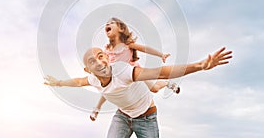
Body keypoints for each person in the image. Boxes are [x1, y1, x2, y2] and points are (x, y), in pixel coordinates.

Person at [44, 46, 232, 138]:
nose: (98, 62)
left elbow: (161, 71)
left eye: (100, 56)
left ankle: (169, 85)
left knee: (156, 83)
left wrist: (199, 65)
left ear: (107, 59)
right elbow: (77, 81)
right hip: (123, 117)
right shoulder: (93, 79)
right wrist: (59, 83)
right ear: (88, 69)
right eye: (92, 62)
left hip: (146, 118)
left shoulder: (124, 70)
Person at [90, 17, 178, 121]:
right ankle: (97, 109)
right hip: (117, 75)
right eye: (106, 23)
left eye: (111, 23)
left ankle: (167, 83)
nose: (107, 24)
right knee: (107, 89)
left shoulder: (127, 45)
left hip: (134, 73)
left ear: (121, 29)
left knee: (154, 88)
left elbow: (145, 49)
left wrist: (161, 55)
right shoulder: (106, 49)